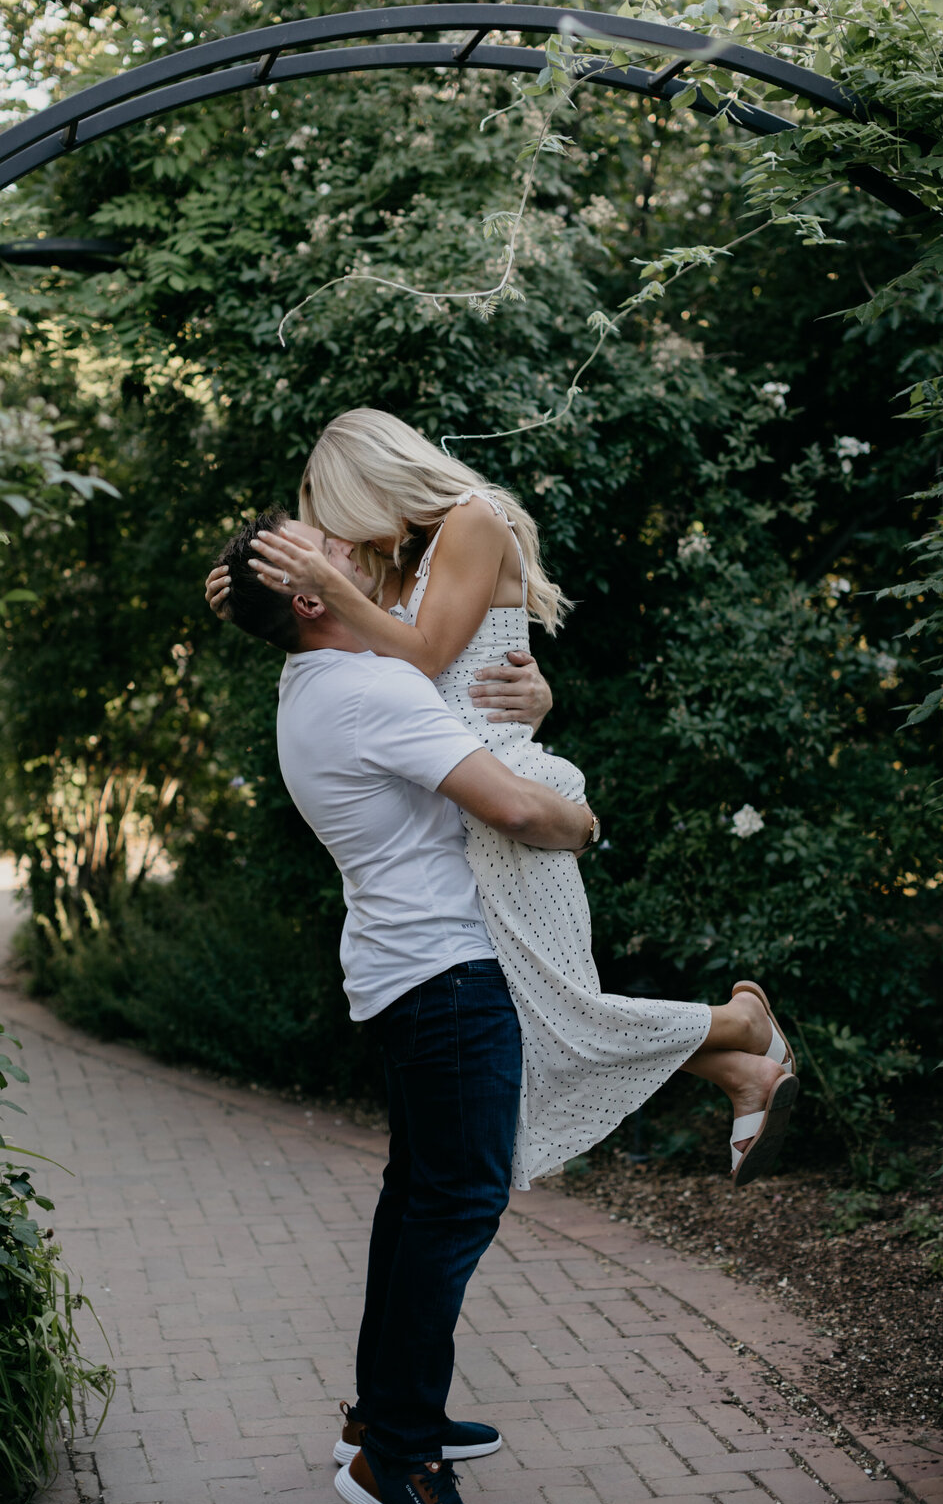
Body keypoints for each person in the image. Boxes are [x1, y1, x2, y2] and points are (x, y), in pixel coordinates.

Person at [209, 408, 797, 1191]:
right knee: (542, 1018)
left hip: (512, 794)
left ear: (373, 481)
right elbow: (346, 642)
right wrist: (257, 596)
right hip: (476, 802)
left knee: (565, 1013)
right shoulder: (401, 562)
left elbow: (422, 656)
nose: (339, 543)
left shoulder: (472, 522)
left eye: (335, 521)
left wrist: (321, 583)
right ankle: (741, 1073)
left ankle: (743, 1025)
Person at [214, 509, 598, 1504]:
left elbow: (460, 696)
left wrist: (538, 695)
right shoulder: (375, 687)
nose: (359, 547)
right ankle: (402, 1459)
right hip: (449, 979)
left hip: (403, 977)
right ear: (306, 599)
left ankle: (381, 1415)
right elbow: (515, 810)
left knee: (417, 1202)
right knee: (454, 1206)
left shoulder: (317, 683)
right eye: (331, 550)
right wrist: (583, 822)